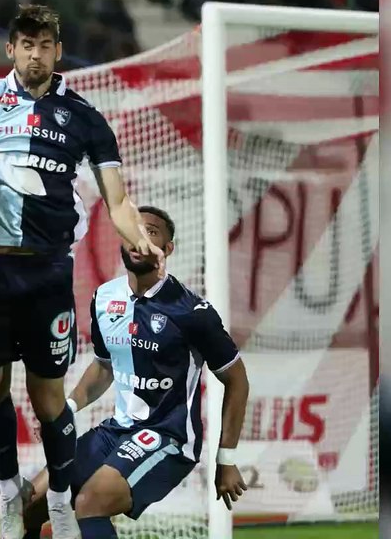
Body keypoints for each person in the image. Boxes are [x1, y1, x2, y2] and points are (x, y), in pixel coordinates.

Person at [0, 4, 164, 539]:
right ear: (10, 49)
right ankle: (8, 494)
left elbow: (117, 200)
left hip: (47, 274)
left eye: (45, 45)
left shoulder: (86, 117)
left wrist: (137, 235)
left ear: (58, 51)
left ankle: (62, 502)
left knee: (49, 400)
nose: (35, 54)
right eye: (26, 44)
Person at [20, 206, 251, 538]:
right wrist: (66, 411)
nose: (139, 238)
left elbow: (237, 380)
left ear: (167, 249)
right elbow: (103, 367)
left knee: (91, 502)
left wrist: (225, 458)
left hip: (167, 438)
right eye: (132, 230)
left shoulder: (192, 312)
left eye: (152, 232)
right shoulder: (104, 298)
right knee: (29, 504)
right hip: (116, 431)